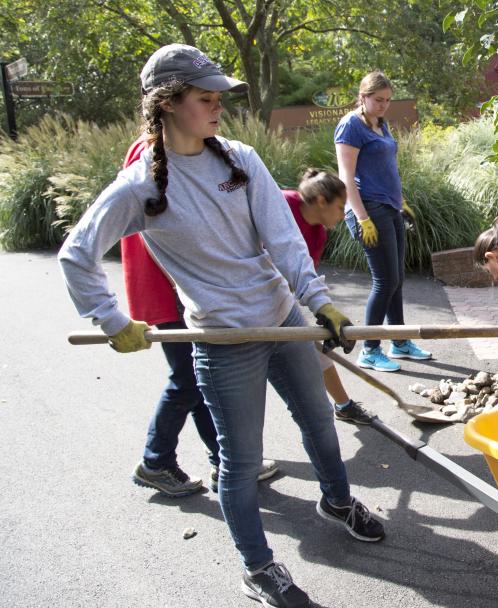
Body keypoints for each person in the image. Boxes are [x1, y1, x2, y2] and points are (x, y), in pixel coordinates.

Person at [59, 44, 384, 608]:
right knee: (238, 461)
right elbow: (76, 254)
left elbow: (282, 237)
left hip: (281, 317)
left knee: (320, 422)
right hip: (222, 339)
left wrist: (317, 300)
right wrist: (112, 320)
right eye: (205, 98)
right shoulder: (141, 187)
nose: (218, 108)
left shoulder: (240, 158)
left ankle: (336, 500)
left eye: (218, 98)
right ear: (166, 104)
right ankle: (258, 569)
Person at [120, 137, 278, 497]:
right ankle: (156, 461)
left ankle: (225, 459)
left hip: (187, 288)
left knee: (202, 376)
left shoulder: (187, 152)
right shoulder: (150, 157)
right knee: (188, 377)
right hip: (171, 289)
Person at [334, 70, 431, 373]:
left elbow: (385, 166)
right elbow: (346, 176)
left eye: (388, 101)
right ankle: (370, 348)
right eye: (378, 100)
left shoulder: (381, 124)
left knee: (396, 278)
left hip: (389, 207)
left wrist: (400, 200)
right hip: (368, 210)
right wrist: (362, 218)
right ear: (362, 96)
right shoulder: (350, 125)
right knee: (384, 280)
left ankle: (399, 341)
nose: (383, 106)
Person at [283, 168, 374, 426]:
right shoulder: (282, 204)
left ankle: (344, 405)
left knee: (318, 349)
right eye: (339, 206)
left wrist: (323, 314)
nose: (342, 213)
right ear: (321, 201)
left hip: (278, 299)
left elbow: (303, 278)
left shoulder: (318, 233)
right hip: (243, 298)